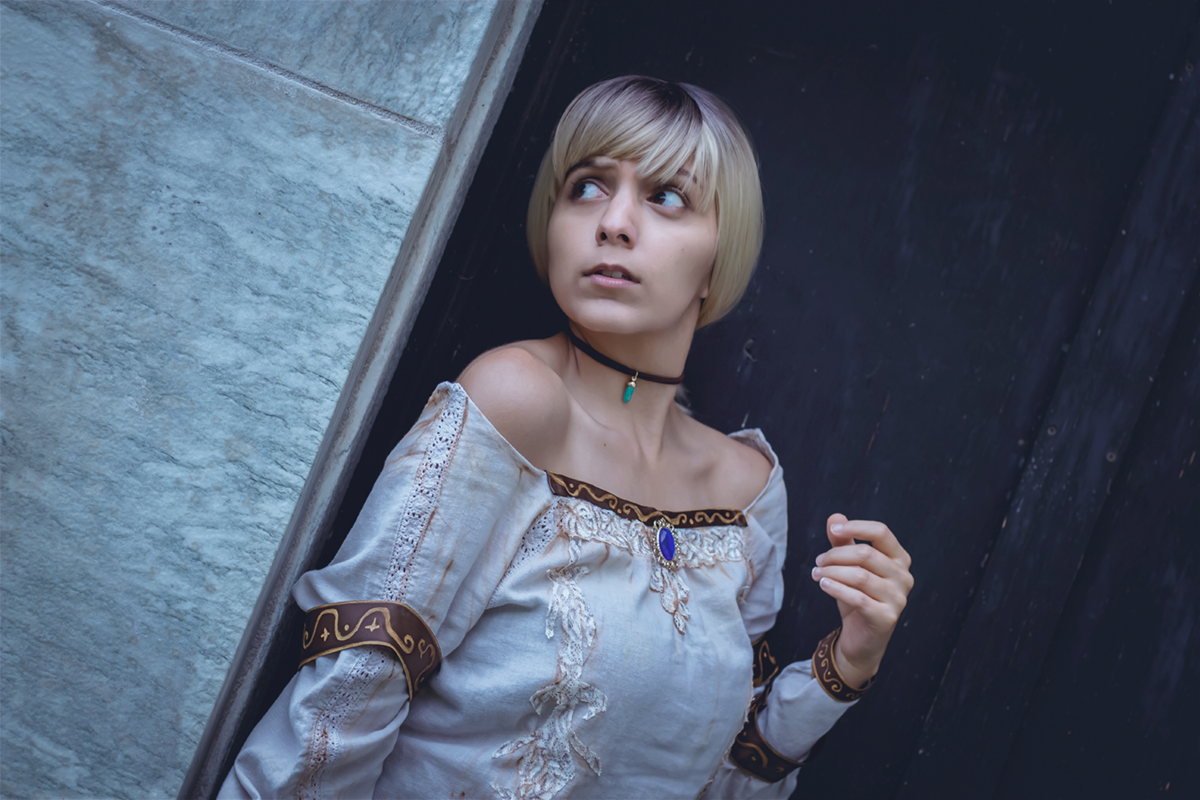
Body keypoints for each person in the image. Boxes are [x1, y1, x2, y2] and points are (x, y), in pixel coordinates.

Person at [219, 75, 913, 800]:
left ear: (719, 256)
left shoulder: (748, 493)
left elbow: (722, 781)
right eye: (586, 187)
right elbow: (347, 696)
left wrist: (847, 667)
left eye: (666, 196)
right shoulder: (515, 400)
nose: (613, 222)